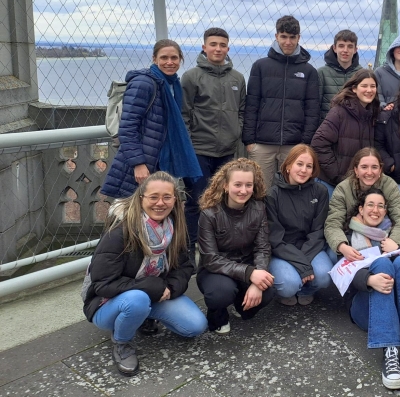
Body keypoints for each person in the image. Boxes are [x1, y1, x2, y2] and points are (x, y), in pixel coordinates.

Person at [83, 172, 207, 376]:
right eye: (153, 197)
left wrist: (170, 288)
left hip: (153, 294)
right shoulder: (120, 231)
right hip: (107, 303)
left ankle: (143, 316)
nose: (160, 203)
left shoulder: (174, 228)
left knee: (195, 326)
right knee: (137, 300)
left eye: (167, 197)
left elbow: (185, 267)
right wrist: (152, 287)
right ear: (141, 198)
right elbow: (102, 284)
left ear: (175, 200)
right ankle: (122, 343)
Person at [343, 188, 400, 390]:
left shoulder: (394, 234)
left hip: (396, 307)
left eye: (380, 206)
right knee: (381, 264)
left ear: (386, 211)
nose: (375, 210)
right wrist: (369, 280)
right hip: (365, 306)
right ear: (361, 209)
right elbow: (343, 274)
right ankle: (390, 350)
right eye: (370, 205)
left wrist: (396, 248)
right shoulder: (348, 236)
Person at [101, 39, 202, 199]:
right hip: (144, 162)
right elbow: (127, 128)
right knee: (131, 209)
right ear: (154, 59)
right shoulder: (143, 83)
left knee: (157, 208)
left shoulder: (173, 84)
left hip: (164, 159)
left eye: (174, 58)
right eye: (164, 57)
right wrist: (138, 164)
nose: (169, 62)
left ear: (180, 59)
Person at [181, 27, 246, 258]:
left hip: (227, 151)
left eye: (222, 45)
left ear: (228, 48)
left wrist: (236, 131)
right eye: (213, 44)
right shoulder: (191, 77)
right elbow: (184, 113)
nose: (218, 49)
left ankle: (219, 251)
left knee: (225, 202)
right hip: (198, 151)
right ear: (204, 47)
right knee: (196, 202)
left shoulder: (237, 78)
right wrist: (189, 145)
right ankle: (189, 251)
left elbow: (241, 110)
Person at [196, 158, 275, 333]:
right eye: (237, 184)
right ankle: (217, 314)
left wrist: (258, 281)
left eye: (248, 185)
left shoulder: (259, 208)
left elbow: (262, 248)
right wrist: (250, 273)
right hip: (215, 270)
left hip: (247, 264)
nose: (243, 190)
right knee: (221, 293)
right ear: (225, 185)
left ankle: (242, 305)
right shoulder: (209, 214)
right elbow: (210, 258)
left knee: (267, 290)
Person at [242, 15, 320, 188]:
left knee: (292, 189)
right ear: (276, 36)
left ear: (299, 38)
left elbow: (312, 110)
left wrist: (305, 142)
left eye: (292, 37)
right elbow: (252, 104)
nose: (288, 42)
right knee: (260, 189)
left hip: (294, 144)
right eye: (284, 37)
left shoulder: (309, 71)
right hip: (262, 143)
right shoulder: (260, 66)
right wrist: (250, 141)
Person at [265, 145, 332, 306]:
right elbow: (275, 238)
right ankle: (289, 288)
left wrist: (303, 262)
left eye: (309, 166)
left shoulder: (320, 191)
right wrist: (302, 264)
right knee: (289, 285)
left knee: (324, 276)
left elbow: (318, 230)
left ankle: (306, 290)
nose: (304, 170)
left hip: (311, 247)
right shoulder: (272, 195)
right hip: (282, 250)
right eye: (299, 164)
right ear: (288, 166)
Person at [324, 148, 400, 263]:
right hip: (351, 238)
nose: (369, 172)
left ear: (380, 170)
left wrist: (394, 244)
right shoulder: (343, 189)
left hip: (385, 236)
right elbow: (333, 224)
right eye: (364, 167)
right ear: (356, 170)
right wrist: (342, 246)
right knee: (333, 256)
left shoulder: (390, 186)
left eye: (374, 167)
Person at [311, 69, 380, 193]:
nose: (369, 90)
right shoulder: (339, 112)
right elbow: (319, 143)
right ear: (354, 88)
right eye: (364, 86)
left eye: (373, 86)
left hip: (358, 184)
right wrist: (337, 175)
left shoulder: (373, 114)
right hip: (332, 183)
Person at [317, 29, 362, 120]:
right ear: (334, 48)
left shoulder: (361, 74)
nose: (345, 50)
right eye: (341, 46)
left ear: (355, 50)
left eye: (350, 46)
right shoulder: (322, 73)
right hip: (328, 125)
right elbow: (315, 106)